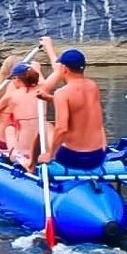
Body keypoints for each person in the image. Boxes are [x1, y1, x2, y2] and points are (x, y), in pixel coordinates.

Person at [37, 38, 108, 170]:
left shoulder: (62, 93)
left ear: (64, 68)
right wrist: (51, 99)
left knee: (47, 127)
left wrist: (51, 154)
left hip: (74, 158)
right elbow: (79, 106)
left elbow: (62, 129)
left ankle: (31, 165)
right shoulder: (93, 86)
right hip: (98, 156)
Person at [0, 62, 46, 169]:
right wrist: (38, 70)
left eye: (12, 79)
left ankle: (19, 158)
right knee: (47, 126)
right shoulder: (42, 89)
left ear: (17, 79)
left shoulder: (11, 96)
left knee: (9, 129)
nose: (12, 82)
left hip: (22, 147)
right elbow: (46, 78)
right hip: (40, 144)